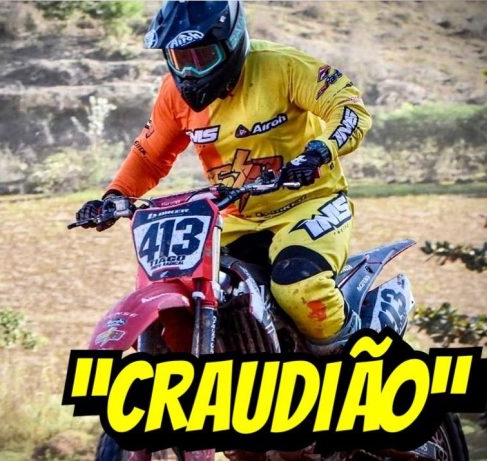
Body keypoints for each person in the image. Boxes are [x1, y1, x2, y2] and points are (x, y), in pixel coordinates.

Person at [76, 1, 372, 355]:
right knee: (185, 280)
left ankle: (356, 357)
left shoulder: (282, 66)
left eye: (203, 56)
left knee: (299, 288)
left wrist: (319, 151)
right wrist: (115, 196)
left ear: (231, 42)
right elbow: (149, 155)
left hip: (308, 204)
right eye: (180, 59)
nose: (191, 71)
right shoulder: (173, 95)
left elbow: (348, 107)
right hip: (234, 215)